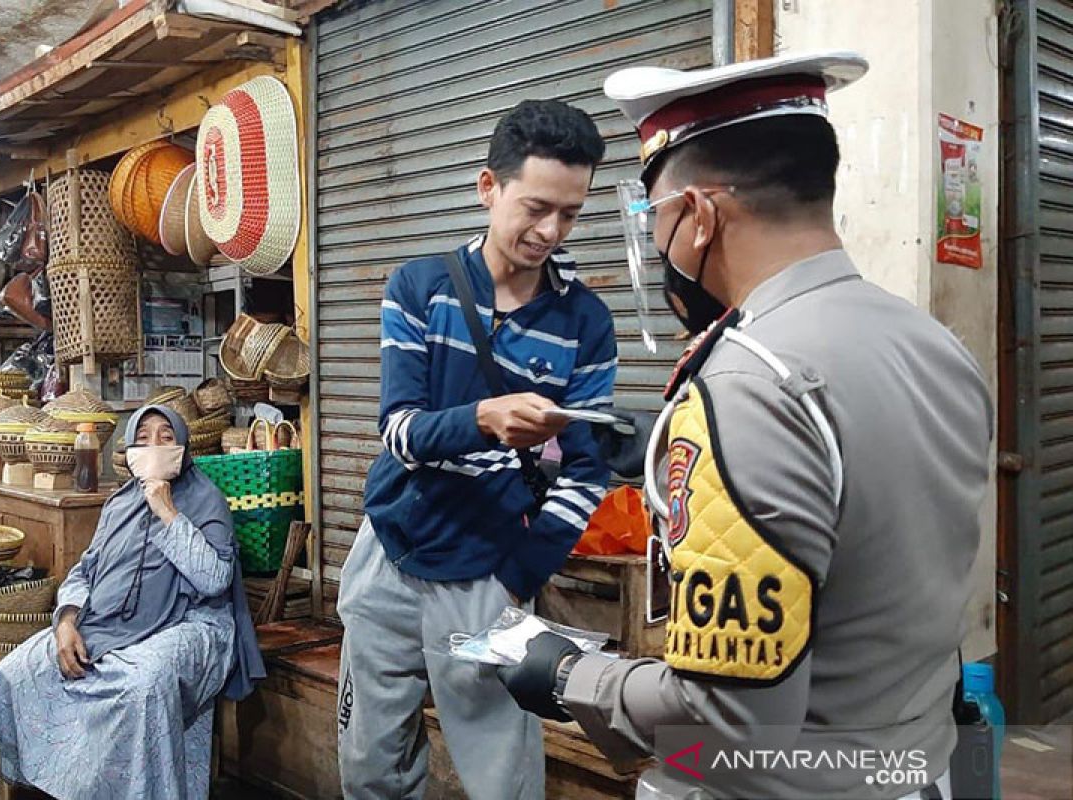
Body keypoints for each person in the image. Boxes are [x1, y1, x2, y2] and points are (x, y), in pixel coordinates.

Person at [497, 51, 994, 800]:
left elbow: (731, 719)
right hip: (911, 765)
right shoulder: (934, 344)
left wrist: (571, 676)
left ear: (699, 215)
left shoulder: (746, 384)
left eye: (657, 217)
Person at [337, 99, 617, 799]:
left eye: (571, 213)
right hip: (388, 567)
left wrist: (518, 574)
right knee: (371, 766)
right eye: (535, 207)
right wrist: (484, 419)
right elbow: (399, 430)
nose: (550, 230)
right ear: (488, 187)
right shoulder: (420, 288)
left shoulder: (585, 322)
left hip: (483, 587)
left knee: (502, 776)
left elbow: (587, 471)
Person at [0, 405, 265, 800]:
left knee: (140, 688)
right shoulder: (119, 503)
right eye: (143, 438)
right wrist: (66, 621)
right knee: (15, 672)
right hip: (107, 621)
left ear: (182, 445)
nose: (154, 445)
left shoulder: (205, 499)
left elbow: (214, 580)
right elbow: (85, 570)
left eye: (166, 436)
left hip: (192, 622)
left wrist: (167, 511)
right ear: (129, 450)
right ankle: (62, 785)